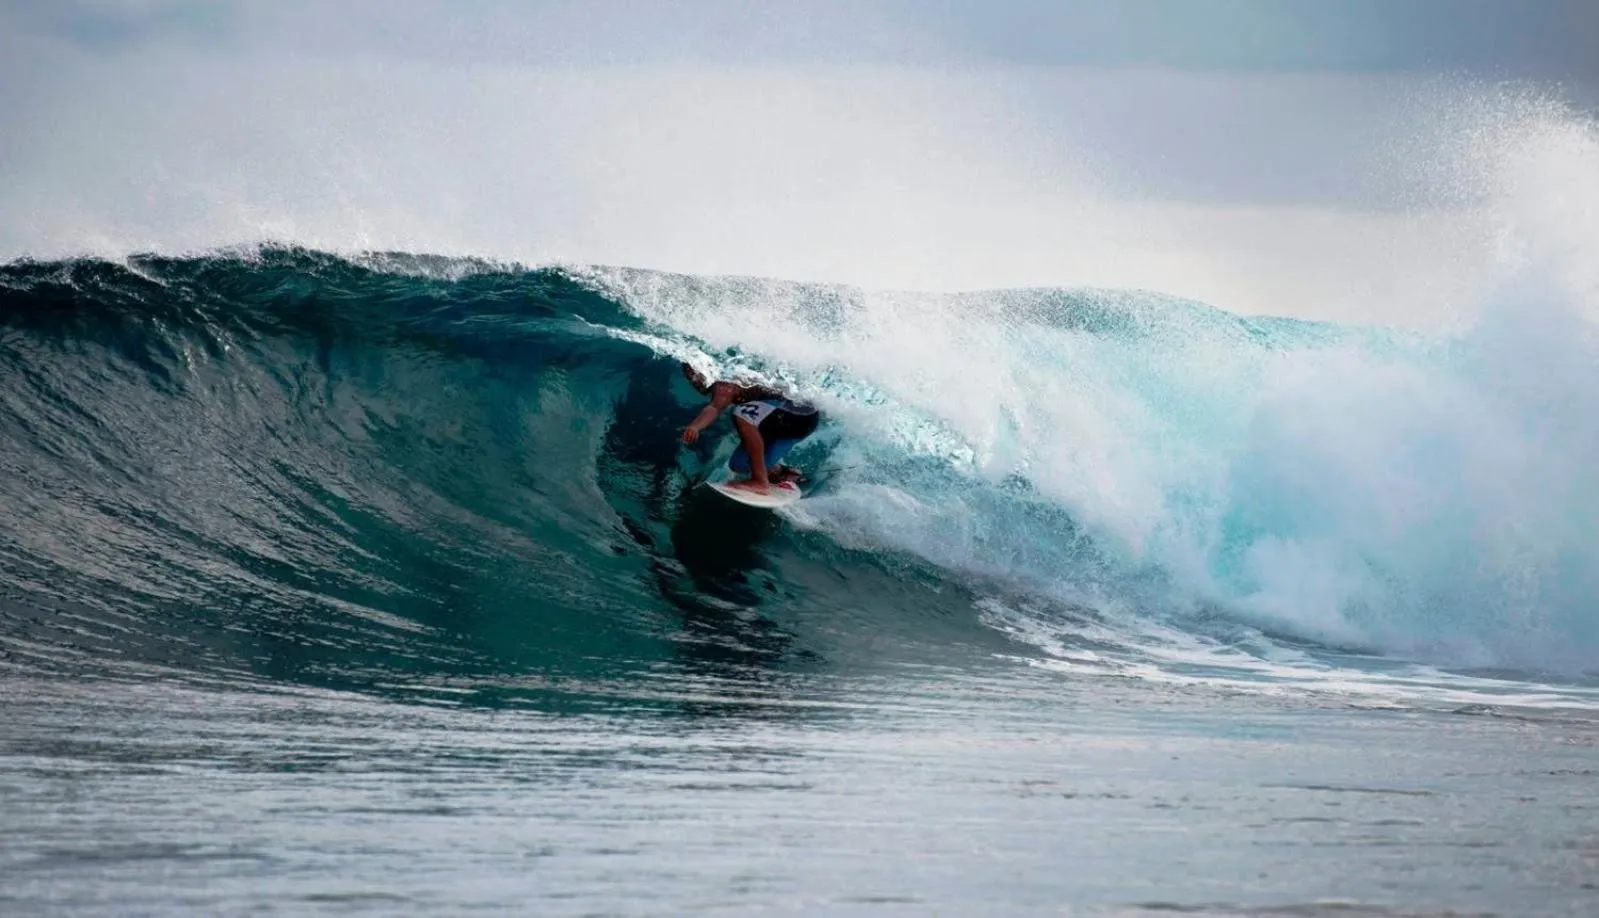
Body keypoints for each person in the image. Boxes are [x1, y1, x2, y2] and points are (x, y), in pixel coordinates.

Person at [678, 363, 820, 493]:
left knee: (742, 414)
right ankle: (780, 473)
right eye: (689, 378)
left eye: (693, 376)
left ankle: (760, 482)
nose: (694, 382)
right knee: (739, 464)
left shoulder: (723, 385)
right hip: (789, 423)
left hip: (799, 416)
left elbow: (715, 407)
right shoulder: (724, 379)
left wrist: (695, 427)